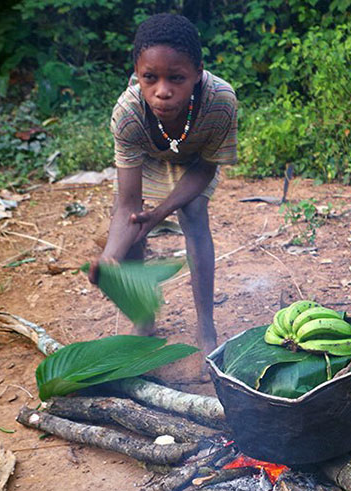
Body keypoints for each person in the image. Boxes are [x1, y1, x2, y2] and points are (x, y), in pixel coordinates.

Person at [89, 13, 237, 383]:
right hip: (152, 156)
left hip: (196, 155)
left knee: (194, 213)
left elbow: (204, 169)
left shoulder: (220, 102)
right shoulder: (128, 115)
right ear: (137, 73)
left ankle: (206, 329)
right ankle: (144, 320)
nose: (163, 91)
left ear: (198, 72)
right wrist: (110, 257)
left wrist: (163, 211)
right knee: (136, 225)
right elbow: (127, 205)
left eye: (177, 78)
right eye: (149, 78)